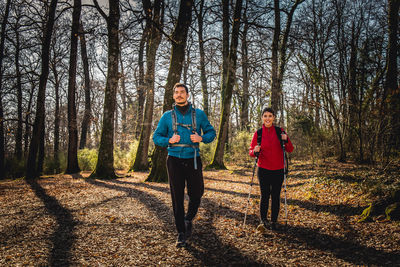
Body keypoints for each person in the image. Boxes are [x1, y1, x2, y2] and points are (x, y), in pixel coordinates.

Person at [153, 83, 216, 247]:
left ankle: (188, 219)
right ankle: (181, 232)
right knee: (177, 196)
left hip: (193, 158)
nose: (179, 95)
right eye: (176, 92)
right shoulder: (167, 116)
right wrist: (168, 140)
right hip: (174, 160)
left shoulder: (199, 114)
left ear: (188, 95)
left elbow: (211, 133)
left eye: (182, 92)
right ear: (173, 96)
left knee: (197, 192)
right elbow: (156, 137)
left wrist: (201, 138)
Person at [249, 107, 294, 231]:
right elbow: (251, 151)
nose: (267, 118)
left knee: (275, 196)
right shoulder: (258, 133)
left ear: (273, 117)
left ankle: (274, 221)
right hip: (263, 169)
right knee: (264, 195)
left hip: (278, 169)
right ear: (262, 118)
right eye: (265, 116)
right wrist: (254, 151)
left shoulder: (280, 131)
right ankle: (263, 221)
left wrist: (286, 140)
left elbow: (290, 149)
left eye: (270, 116)